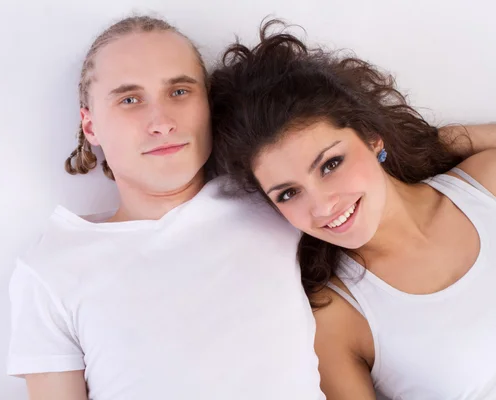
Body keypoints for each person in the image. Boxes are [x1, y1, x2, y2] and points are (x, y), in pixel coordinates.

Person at [6, 16, 325, 400]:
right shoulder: (51, 269)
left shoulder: (271, 198)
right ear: (90, 126)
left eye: (179, 92)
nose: (161, 122)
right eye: (129, 99)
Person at [209, 19, 496, 400]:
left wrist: (441, 139)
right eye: (288, 194)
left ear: (372, 136)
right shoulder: (337, 322)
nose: (323, 205)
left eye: (330, 164)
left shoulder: (486, 184)